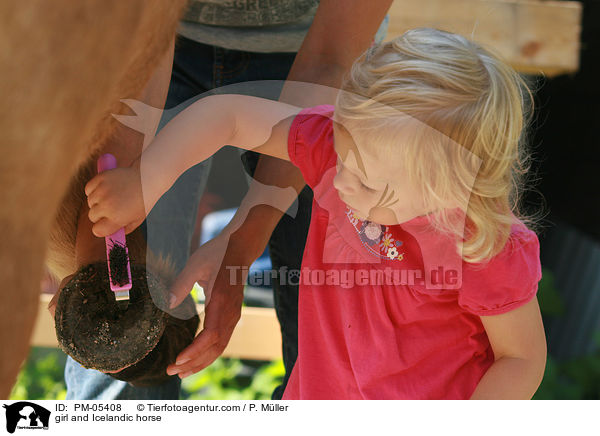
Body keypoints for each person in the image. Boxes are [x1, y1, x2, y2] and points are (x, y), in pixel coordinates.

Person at [85, 28, 548, 399]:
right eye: (343, 157)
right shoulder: (339, 148)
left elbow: (521, 359)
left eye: (370, 184)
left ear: (450, 190)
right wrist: (144, 181)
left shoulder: (483, 244)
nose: (340, 183)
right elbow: (224, 116)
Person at [65, 0, 392, 399]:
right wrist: (91, 276)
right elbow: (141, 31)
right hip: (159, 39)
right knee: (120, 379)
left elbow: (330, 59)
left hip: (318, 56)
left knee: (327, 347)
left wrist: (243, 241)